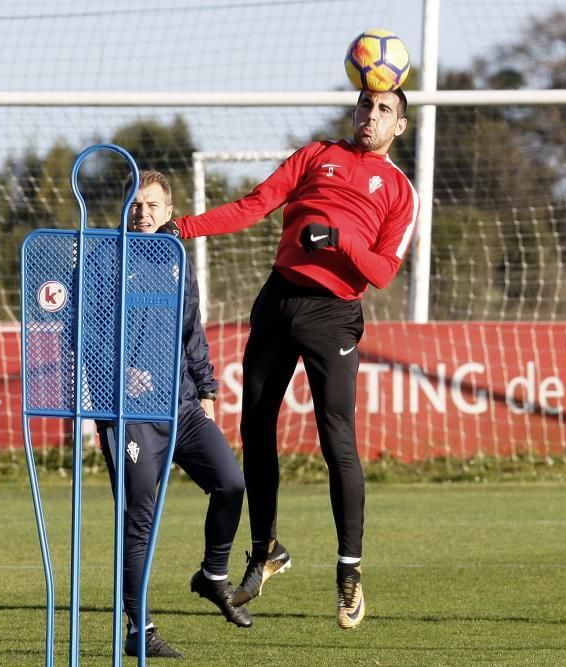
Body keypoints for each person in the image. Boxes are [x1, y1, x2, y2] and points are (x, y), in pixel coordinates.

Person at [165, 89, 417, 630]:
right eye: (365, 106)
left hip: (334, 316)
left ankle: (348, 572)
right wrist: (183, 226)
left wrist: (339, 240)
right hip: (278, 298)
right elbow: (254, 205)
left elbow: (383, 272)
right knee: (255, 425)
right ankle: (266, 547)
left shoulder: (398, 189)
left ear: (399, 126)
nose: (370, 117)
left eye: (383, 111)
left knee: (337, 439)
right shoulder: (315, 155)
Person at [98, 170, 251, 658]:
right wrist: (118, 373)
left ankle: (212, 574)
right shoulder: (104, 259)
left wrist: (207, 388)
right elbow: (83, 334)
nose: (143, 213)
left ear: (169, 213)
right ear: (125, 210)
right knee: (139, 518)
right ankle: (139, 629)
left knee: (231, 484)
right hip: (129, 414)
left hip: (181, 405)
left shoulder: (176, 259)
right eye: (136, 204)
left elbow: (192, 330)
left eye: (152, 205)